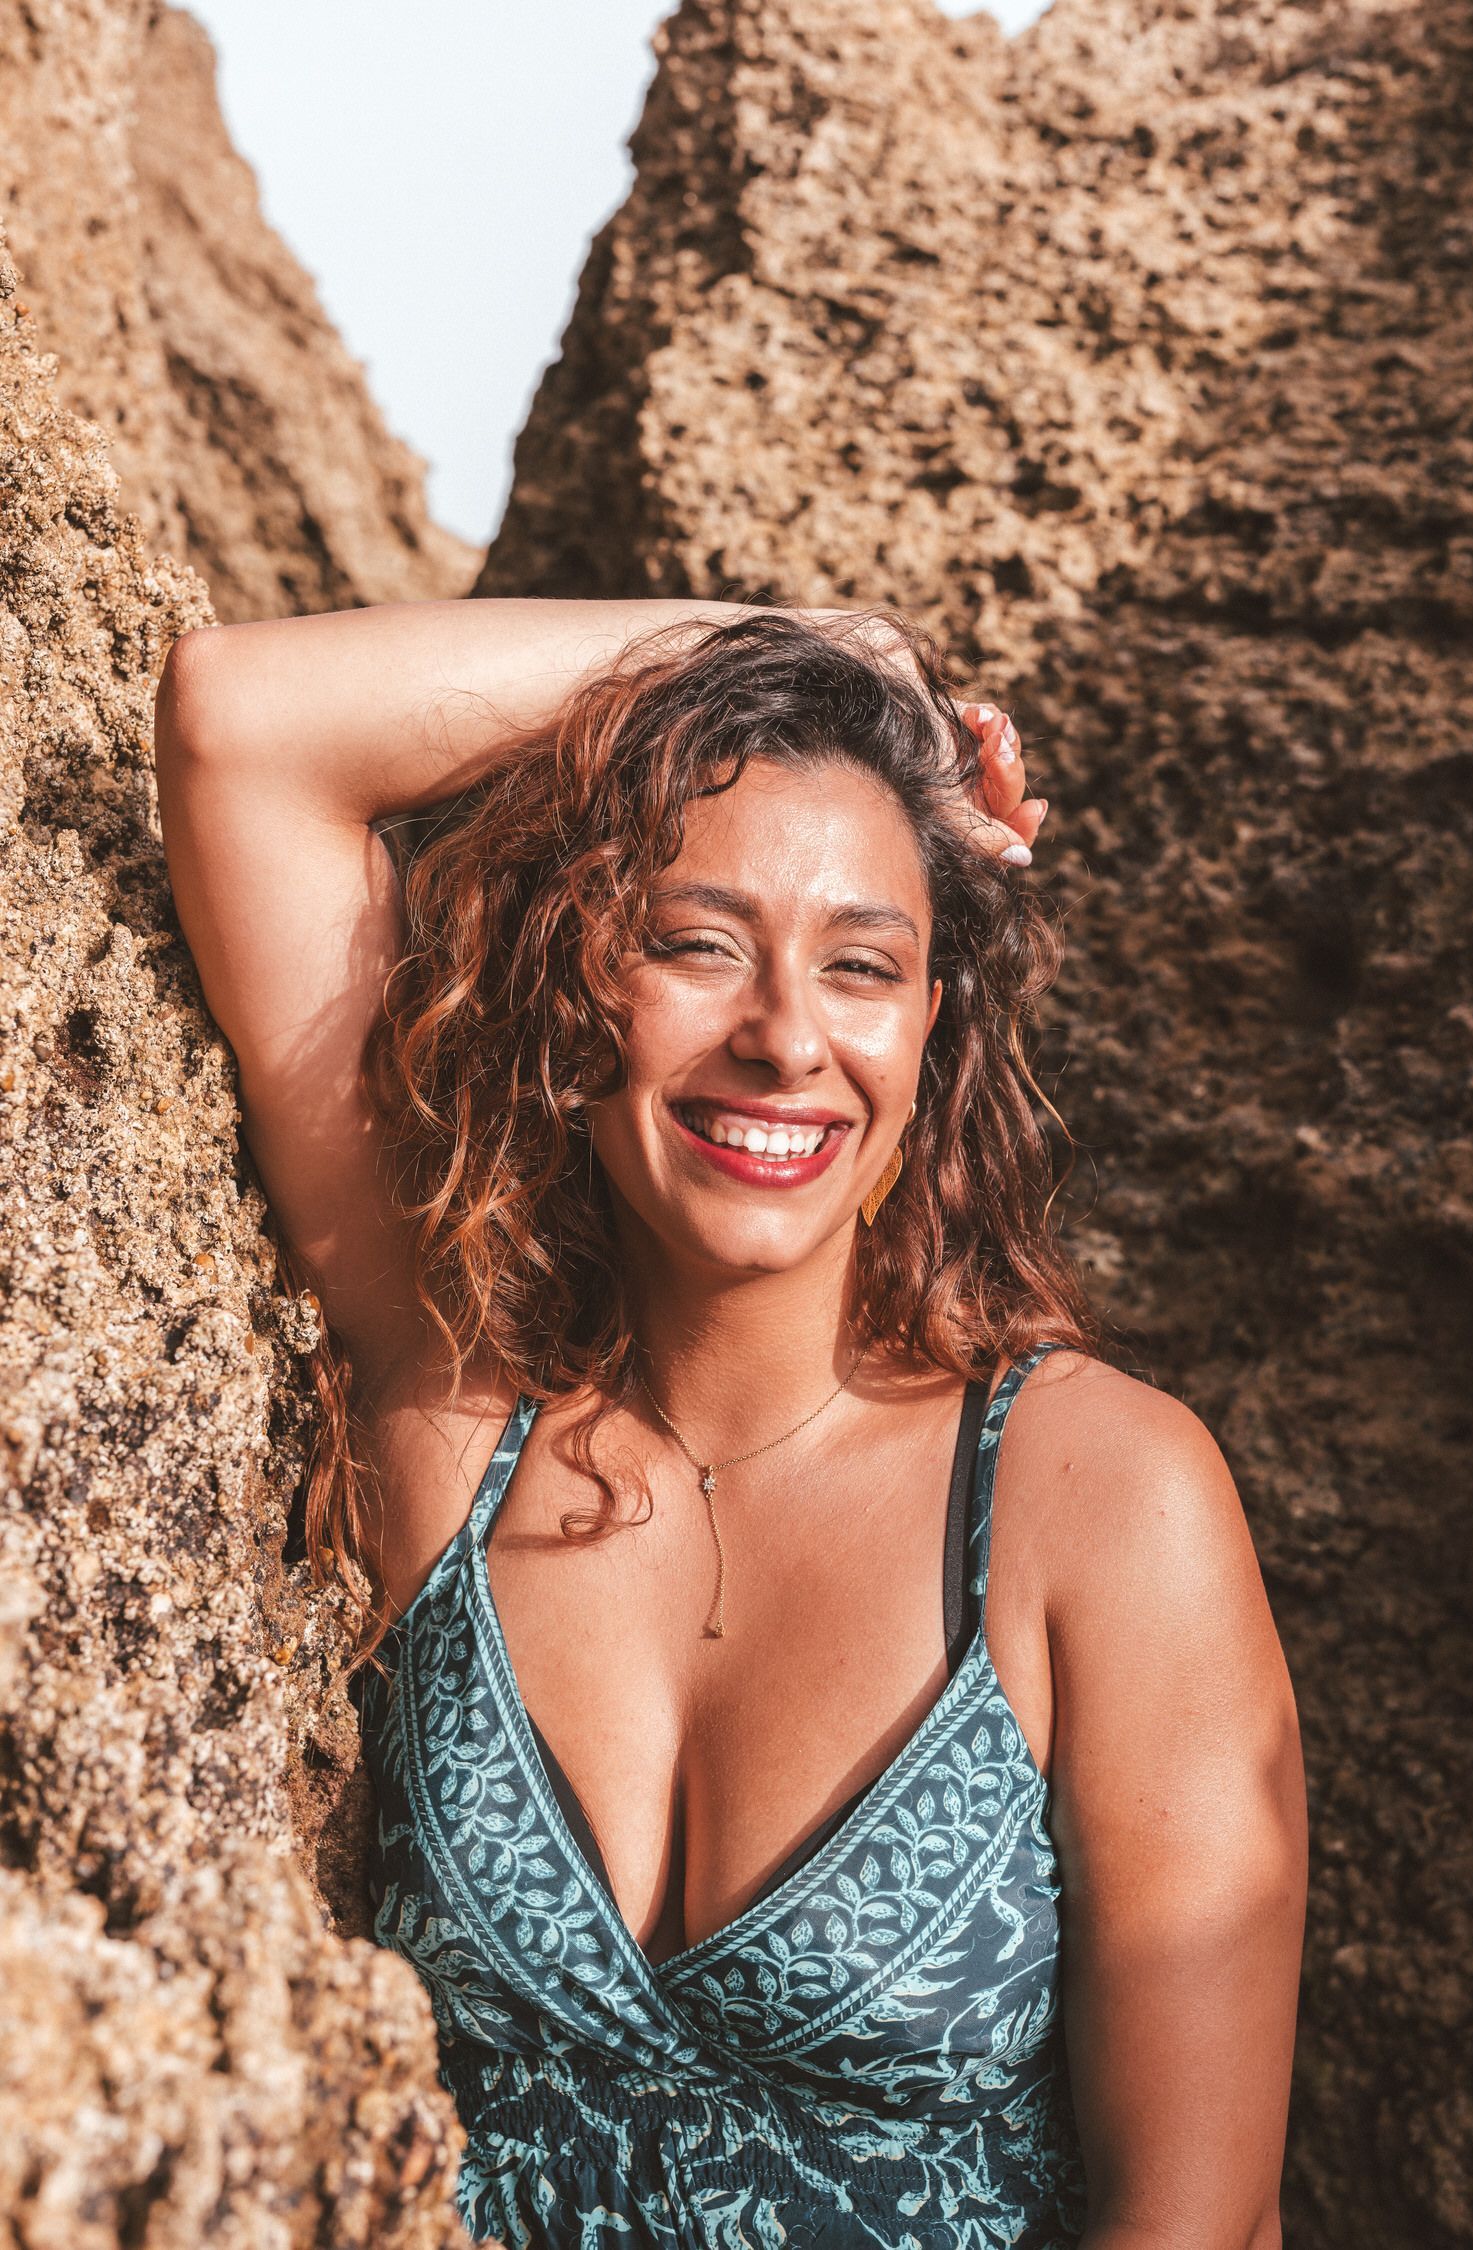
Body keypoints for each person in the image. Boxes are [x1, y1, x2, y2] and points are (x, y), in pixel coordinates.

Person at [154, 599, 1307, 2250]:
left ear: (932, 1028)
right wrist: (829, 649)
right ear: (575, 987)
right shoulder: (449, 1407)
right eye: (697, 942)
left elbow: (1198, 2217)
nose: (784, 1035)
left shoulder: (1092, 1493)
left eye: (862, 964)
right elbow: (241, 723)